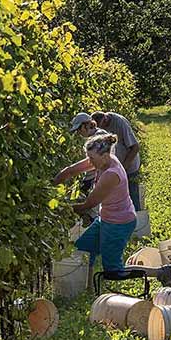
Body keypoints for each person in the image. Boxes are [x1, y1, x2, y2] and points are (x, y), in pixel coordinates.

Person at [55, 133, 137, 272]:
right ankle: (88, 288)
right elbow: (70, 171)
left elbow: (88, 204)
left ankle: (157, 272)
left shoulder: (111, 174)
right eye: (88, 157)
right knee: (82, 250)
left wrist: (61, 209)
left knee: (113, 270)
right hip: (105, 218)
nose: (89, 162)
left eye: (91, 158)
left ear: (105, 156)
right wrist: (50, 186)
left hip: (119, 223)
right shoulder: (102, 160)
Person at [92, 111, 142, 209]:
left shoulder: (120, 123)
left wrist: (122, 169)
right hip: (114, 169)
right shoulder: (98, 129)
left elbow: (135, 147)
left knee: (132, 197)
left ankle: (137, 221)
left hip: (129, 167)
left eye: (101, 126)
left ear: (105, 119)